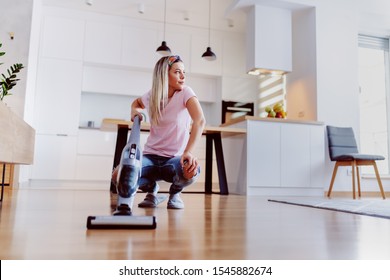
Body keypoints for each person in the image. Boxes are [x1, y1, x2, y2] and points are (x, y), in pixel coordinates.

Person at [112, 55, 206, 210]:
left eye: (184, 72)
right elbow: (136, 103)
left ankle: (175, 193)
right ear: (164, 74)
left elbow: (199, 121)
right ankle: (152, 191)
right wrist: (135, 111)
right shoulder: (151, 96)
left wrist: (188, 152)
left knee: (191, 170)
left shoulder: (185, 93)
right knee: (118, 175)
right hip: (150, 157)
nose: (183, 76)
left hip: (174, 160)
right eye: (177, 72)